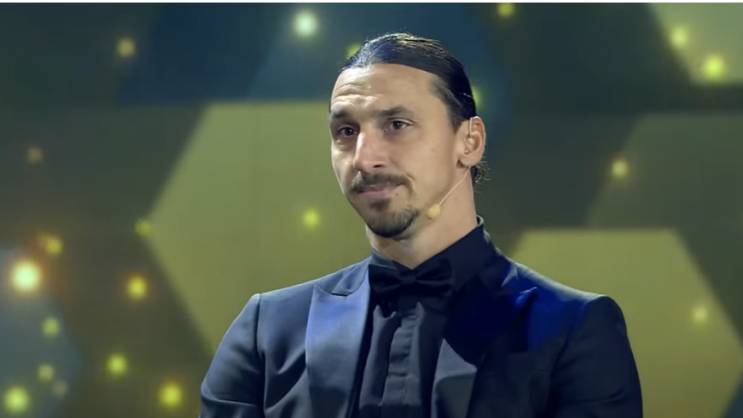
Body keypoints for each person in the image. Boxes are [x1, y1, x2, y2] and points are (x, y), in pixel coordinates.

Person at [199, 32, 642, 418]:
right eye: (346, 132)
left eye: (396, 124)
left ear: (470, 141)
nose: (365, 158)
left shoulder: (573, 331)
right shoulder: (266, 332)